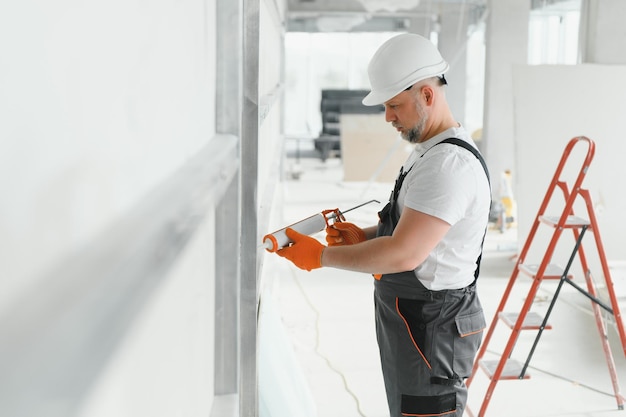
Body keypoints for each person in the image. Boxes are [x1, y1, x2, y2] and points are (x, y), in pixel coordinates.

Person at [274, 33, 491, 417]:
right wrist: (363, 236)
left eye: (394, 105)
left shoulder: (447, 167)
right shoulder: (430, 153)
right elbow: (416, 231)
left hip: (432, 330)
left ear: (427, 95)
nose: (388, 116)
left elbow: (404, 252)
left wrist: (322, 257)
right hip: (417, 321)